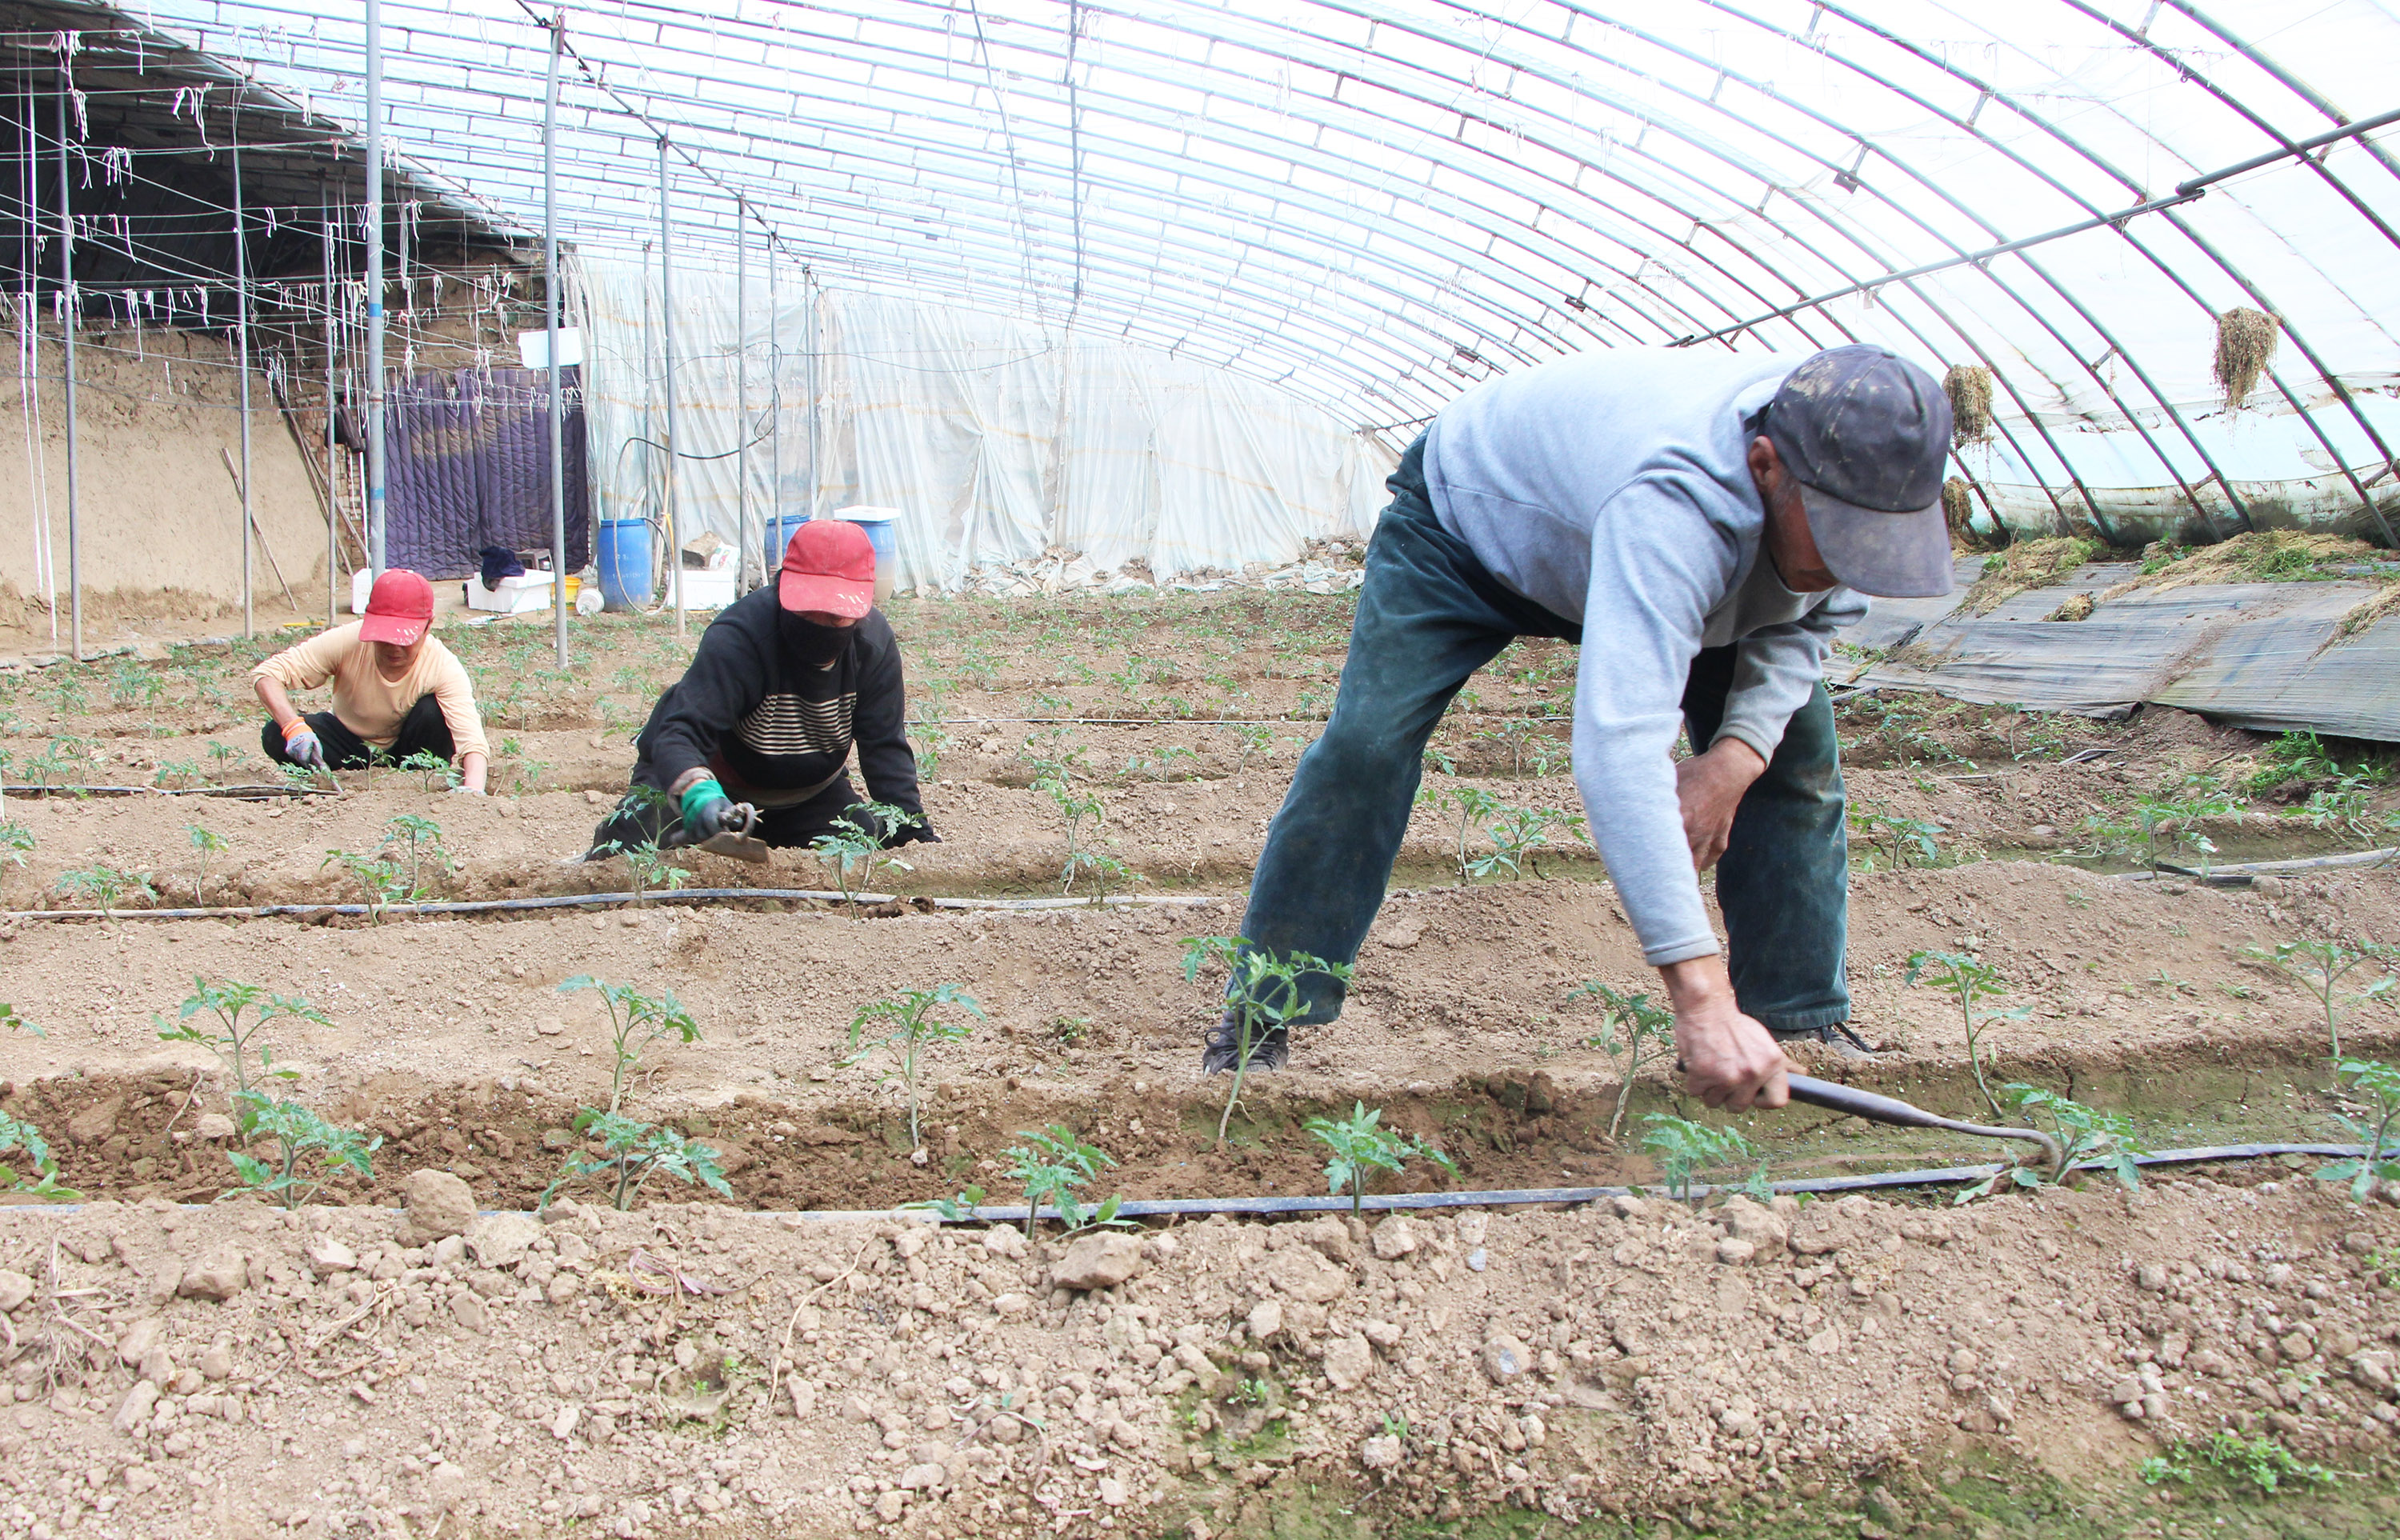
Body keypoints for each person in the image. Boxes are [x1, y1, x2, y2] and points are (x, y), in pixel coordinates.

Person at [1214, 345, 1957, 1112]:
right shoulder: (1678, 502)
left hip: (1680, 549)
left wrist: (1733, 762)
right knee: (1364, 749)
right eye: (1839, 537)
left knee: (1793, 760)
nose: (1855, 562)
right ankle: (1267, 1007)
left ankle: (1794, 1027)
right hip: (1470, 527)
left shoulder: (1855, 488)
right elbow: (1621, 747)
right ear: (1764, 466)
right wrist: (1699, 997)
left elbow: (1809, 625)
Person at [586, 518, 937, 858]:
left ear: (861, 608)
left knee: (863, 843)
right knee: (634, 844)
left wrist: (912, 835)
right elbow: (680, 732)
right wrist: (698, 793)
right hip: (718, 786)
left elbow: (885, 749)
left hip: (808, 797)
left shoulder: (872, 647)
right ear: (783, 586)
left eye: (835, 616)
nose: (820, 624)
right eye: (807, 610)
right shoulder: (741, 637)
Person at [254, 568, 489, 793]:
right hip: (348, 743)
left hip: (410, 748)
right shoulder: (348, 641)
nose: (394, 649)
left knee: (433, 712)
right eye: (385, 637)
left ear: (428, 625)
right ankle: (333, 778)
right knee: (276, 732)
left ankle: (419, 779)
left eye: (404, 639)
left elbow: (472, 742)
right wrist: (293, 728)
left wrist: (474, 788)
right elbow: (268, 674)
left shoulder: (443, 666)